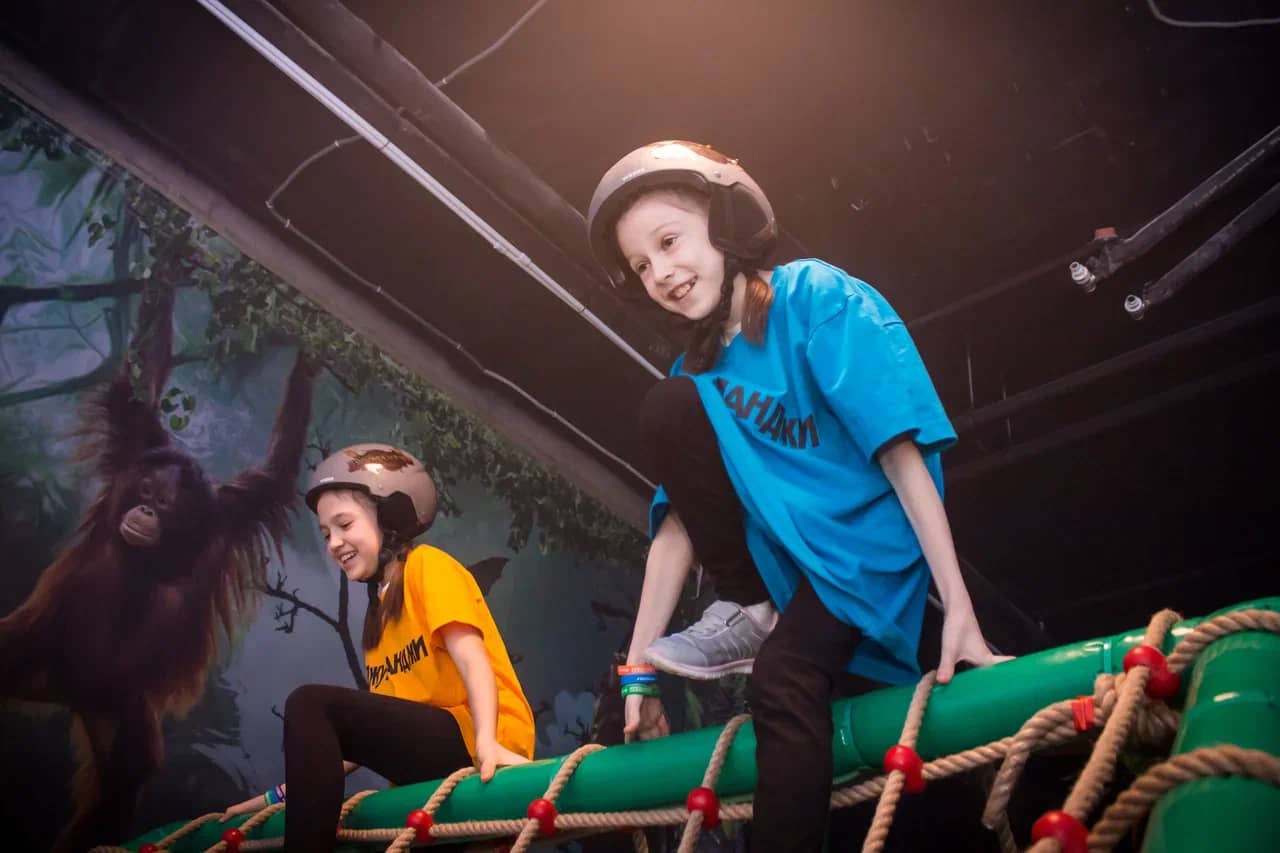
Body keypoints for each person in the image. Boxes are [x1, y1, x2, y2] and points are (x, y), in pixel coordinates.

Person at [585, 141, 1010, 851]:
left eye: (668, 242)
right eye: (641, 266)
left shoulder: (812, 295)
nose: (659, 273)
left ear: (725, 224)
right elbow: (678, 527)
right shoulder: (694, 371)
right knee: (666, 407)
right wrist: (638, 676)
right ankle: (749, 605)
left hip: (864, 560)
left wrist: (959, 606)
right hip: (791, 580)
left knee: (782, 681)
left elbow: (900, 450)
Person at [219, 443, 534, 851]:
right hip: (432, 758)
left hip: (476, 737)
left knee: (310, 703)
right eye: (326, 534)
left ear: (388, 516)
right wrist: (284, 793)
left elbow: (474, 662)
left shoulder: (428, 566)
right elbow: (370, 737)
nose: (334, 543)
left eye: (344, 524)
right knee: (319, 714)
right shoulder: (379, 619)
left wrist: (488, 742)